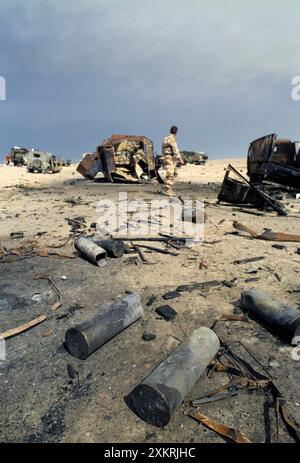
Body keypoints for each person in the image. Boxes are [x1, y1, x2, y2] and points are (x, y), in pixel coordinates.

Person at [161, 126, 183, 196]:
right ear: (176, 132)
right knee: (170, 173)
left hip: (166, 156)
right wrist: (180, 159)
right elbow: (175, 149)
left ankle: (168, 188)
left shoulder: (165, 138)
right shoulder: (172, 138)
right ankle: (167, 190)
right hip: (169, 157)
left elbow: (163, 148)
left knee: (174, 173)